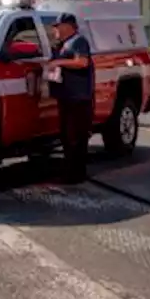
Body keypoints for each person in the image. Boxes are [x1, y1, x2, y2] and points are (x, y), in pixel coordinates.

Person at [46, 13, 93, 184]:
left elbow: (82, 62)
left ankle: (76, 174)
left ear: (68, 26)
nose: (55, 30)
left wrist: (59, 63)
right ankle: (70, 171)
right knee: (67, 136)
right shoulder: (63, 44)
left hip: (78, 98)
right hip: (66, 96)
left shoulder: (79, 41)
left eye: (57, 26)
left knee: (75, 137)